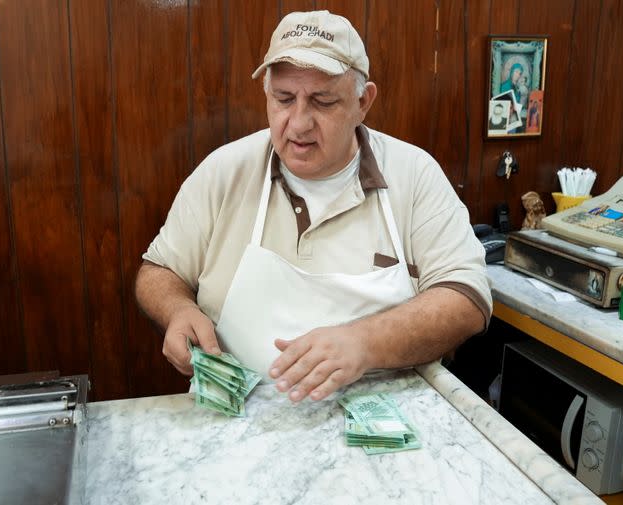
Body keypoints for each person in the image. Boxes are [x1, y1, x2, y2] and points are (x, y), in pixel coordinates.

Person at [135, 10, 491, 404]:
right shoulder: (225, 172)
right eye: (284, 99)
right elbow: (158, 271)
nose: (299, 123)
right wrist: (177, 310)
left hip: (390, 430)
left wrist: (364, 341)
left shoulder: (414, 174)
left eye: (322, 102)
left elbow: (467, 297)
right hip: (238, 428)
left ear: (363, 102)